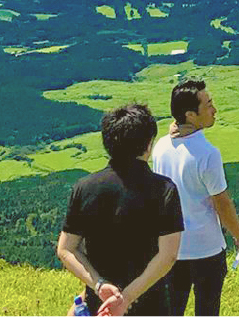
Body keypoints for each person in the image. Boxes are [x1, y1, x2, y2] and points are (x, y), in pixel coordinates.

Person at [57, 103, 185, 317]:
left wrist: (99, 284)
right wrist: (127, 297)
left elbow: (66, 249)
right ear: (148, 144)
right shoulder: (164, 190)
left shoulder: (84, 188)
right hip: (150, 305)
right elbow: (168, 256)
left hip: (99, 306)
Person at [150, 80, 239, 316]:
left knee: (172, 310)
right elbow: (222, 204)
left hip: (171, 247)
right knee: (207, 310)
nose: (214, 110)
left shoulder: (160, 147)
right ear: (190, 114)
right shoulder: (208, 154)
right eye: (208, 105)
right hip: (206, 248)